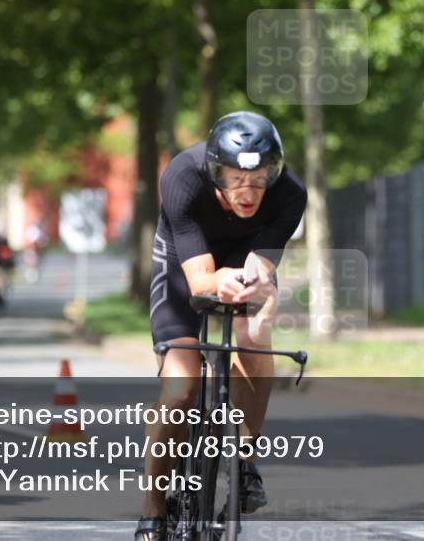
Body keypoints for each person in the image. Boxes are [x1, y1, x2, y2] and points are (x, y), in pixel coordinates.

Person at [136, 112, 306, 541]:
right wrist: (219, 282)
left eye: (259, 179)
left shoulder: (289, 195)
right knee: (181, 387)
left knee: (254, 337)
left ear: (273, 173)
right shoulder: (183, 178)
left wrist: (256, 292)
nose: (248, 192)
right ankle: (153, 508)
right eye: (234, 179)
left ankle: (245, 460)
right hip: (185, 261)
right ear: (215, 172)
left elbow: (260, 267)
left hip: (245, 255)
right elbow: (200, 281)